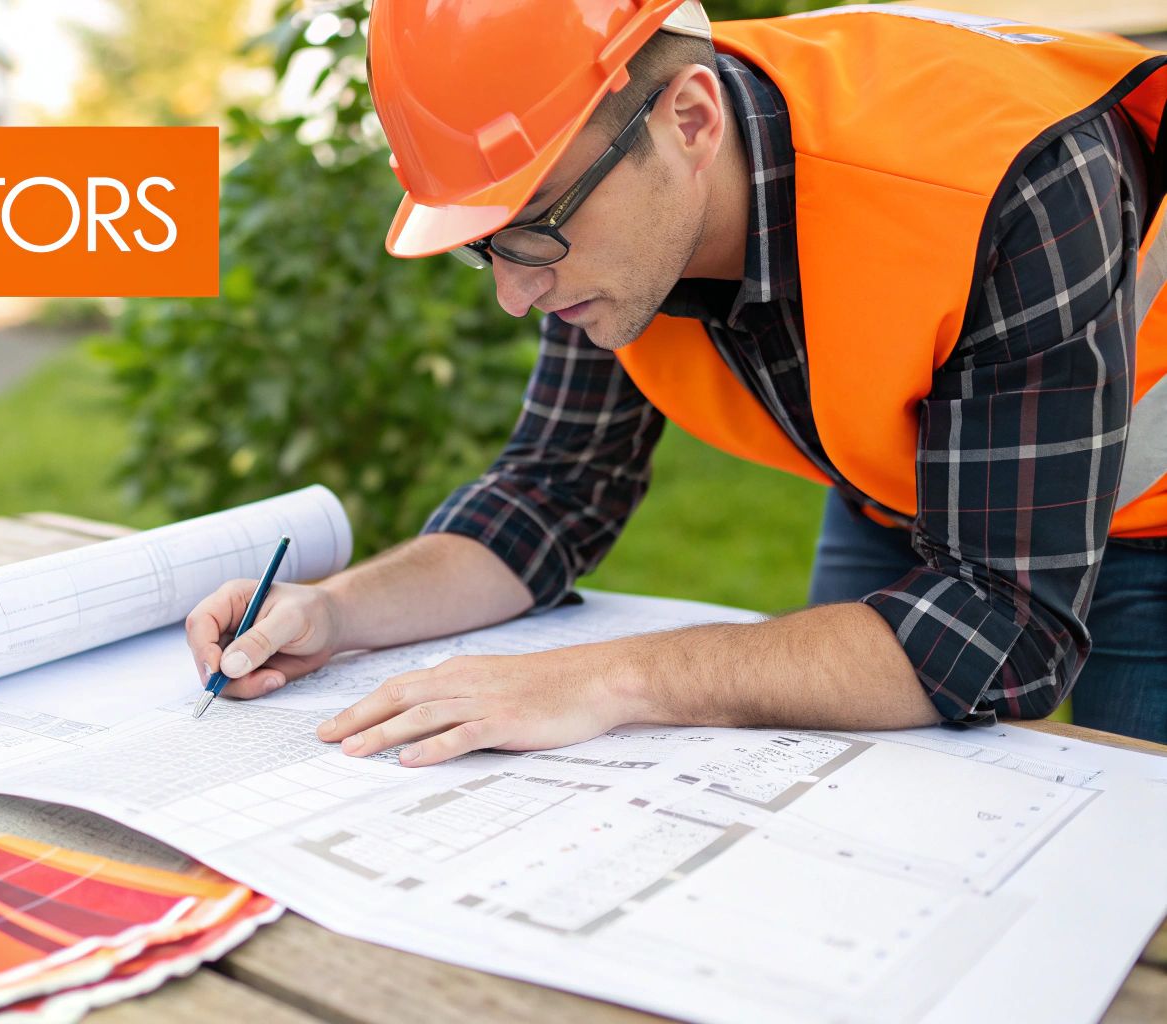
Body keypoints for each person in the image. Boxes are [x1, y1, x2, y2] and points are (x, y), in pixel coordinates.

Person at [183, 0, 1167, 756]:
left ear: (690, 121)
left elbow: (1000, 628)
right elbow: (548, 494)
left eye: (531, 228)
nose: (513, 296)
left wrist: (607, 681)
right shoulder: (611, 195)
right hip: (901, 490)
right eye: (483, 247)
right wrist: (334, 611)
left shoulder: (1009, 179)